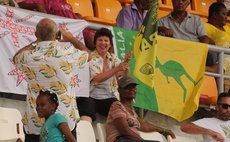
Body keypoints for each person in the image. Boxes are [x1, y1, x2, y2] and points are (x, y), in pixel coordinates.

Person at [13, 18, 91, 142]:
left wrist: (34, 42)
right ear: (56, 35)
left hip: (35, 122)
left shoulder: (27, 56)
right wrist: (70, 38)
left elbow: (15, 57)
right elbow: (88, 54)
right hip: (63, 123)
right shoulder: (67, 53)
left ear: (36, 34)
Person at [77, 28, 132, 123]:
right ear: (95, 43)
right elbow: (97, 78)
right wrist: (117, 68)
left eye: (106, 40)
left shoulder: (113, 58)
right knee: (86, 113)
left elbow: (123, 76)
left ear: (110, 44)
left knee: (122, 116)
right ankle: (85, 135)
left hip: (109, 96)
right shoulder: (90, 57)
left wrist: (126, 63)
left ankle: (122, 137)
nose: (103, 43)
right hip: (90, 96)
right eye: (100, 40)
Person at [106, 76, 176, 142]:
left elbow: (144, 125)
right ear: (119, 90)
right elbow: (125, 131)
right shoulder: (117, 106)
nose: (132, 89)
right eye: (128, 87)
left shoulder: (132, 111)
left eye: (134, 87)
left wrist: (163, 130)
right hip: (120, 139)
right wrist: (142, 140)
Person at [157, 0, 218, 73]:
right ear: (172, 1)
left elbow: (204, 38)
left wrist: (200, 51)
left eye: (184, 0)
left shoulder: (197, 20)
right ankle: (202, 68)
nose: (180, 2)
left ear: (189, 2)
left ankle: (198, 67)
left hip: (194, 53)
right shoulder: (161, 22)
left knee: (214, 51)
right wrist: (159, 29)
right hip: (174, 54)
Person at [204, 2, 230, 91]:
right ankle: (213, 69)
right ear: (215, 14)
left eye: (227, 14)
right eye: (224, 14)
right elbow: (204, 40)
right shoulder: (205, 26)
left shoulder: (227, 28)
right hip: (216, 56)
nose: (226, 17)